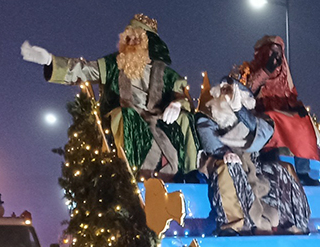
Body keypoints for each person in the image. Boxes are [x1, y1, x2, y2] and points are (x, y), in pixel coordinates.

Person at [20, 14, 199, 181]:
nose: (131, 42)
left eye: (136, 38)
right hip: (124, 116)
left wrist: (177, 104)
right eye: (128, 37)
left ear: (148, 42)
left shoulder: (165, 73)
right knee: (122, 116)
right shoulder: (112, 65)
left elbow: (182, 95)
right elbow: (84, 70)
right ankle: (125, 177)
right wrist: (50, 61)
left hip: (158, 119)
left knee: (185, 118)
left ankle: (192, 176)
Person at [196, 78, 309, 235]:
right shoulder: (209, 115)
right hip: (221, 161)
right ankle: (232, 227)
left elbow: (263, 133)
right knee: (228, 169)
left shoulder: (251, 119)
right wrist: (225, 153)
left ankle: (294, 224)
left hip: (253, 166)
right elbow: (210, 141)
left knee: (283, 169)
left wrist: (238, 111)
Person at [240, 36, 320, 185]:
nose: (277, 57)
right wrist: (267, 69)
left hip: (282, 108)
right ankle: (266, 161)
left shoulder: (283, 74)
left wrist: (297, 108)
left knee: (302, 122)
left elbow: (290, 92)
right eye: (273, 53)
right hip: (262, 109)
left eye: (279, 53)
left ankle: (303, 171)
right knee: (271, 118)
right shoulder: (256, 70)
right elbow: (250, 88)